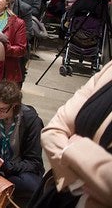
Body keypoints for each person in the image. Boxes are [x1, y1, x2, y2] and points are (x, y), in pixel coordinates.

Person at [38, 60, 112, 207]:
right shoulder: (109, 69)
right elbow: (52, 131)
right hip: (63, 193)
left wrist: (73, 149)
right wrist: (78, 181)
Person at [0, 81, 44, 206]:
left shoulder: (32, 122)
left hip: (16, 171)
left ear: (15, 105)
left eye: (3, 109)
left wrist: (5, 166)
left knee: (33, 186)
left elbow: (34, 163)